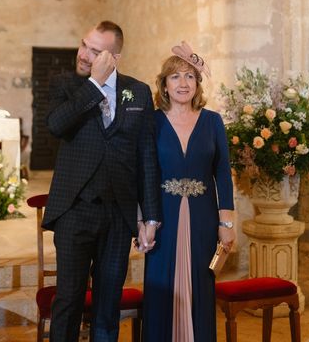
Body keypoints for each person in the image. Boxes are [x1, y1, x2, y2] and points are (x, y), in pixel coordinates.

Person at [42, 21, 161, 342]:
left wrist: (150, 216)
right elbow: (56, 124)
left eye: (94, 51)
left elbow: (146, 156)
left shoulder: (137, 92)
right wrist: (94, 82)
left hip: (118, 218)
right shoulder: (65, 86)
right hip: (75, 211)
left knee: (108, 306)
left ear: (114, 58)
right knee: (68, 299)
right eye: (84, 45)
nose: (83, 54)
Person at [142, 42, 236, 342]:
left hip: (204, 219)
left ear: (197, 84)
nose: (183, 83)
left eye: (190, 76)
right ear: (164, 85)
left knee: (200, 286)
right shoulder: (151, 122)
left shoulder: (213, 122)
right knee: (161, 286)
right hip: (162, 218)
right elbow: (143, 173)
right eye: (175, 77)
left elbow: (222, 173)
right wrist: (143, 220)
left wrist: (227, 223)